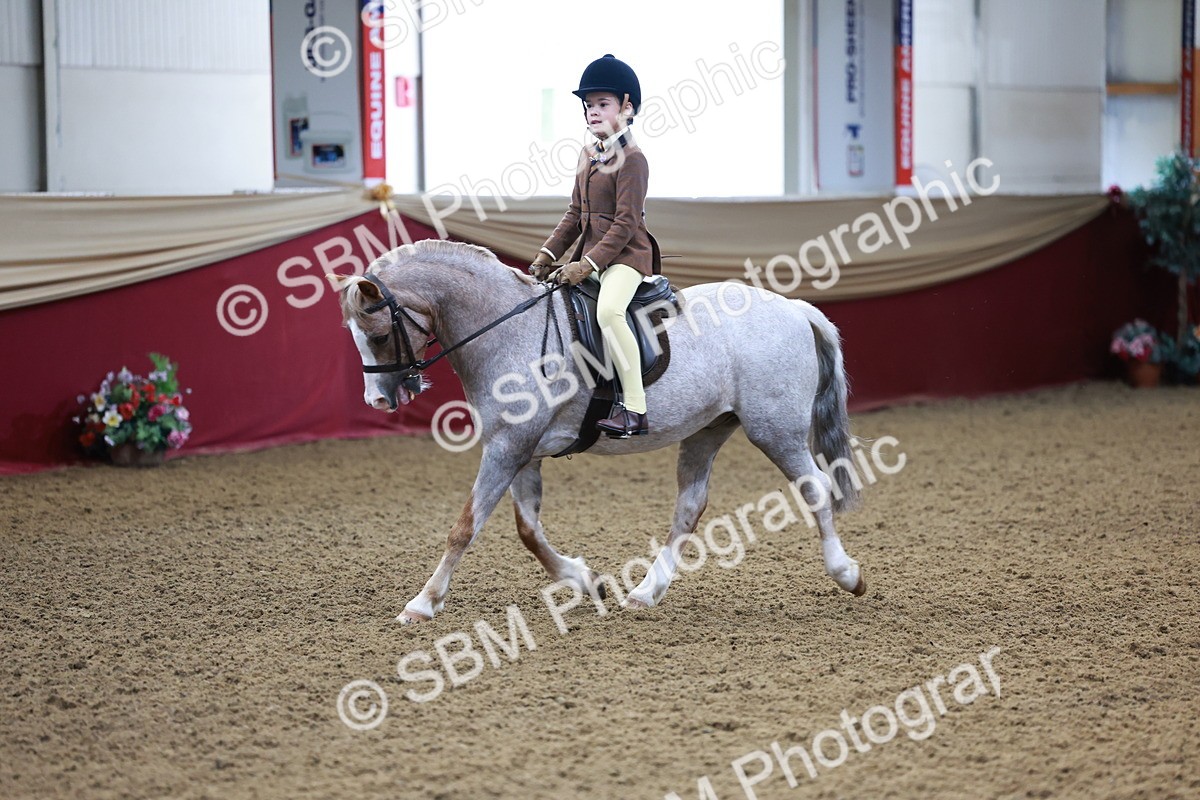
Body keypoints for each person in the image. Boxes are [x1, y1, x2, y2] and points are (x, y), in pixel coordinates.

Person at [530, 54, 662, 438]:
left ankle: (635, 409)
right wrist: (547, 255)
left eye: (602, 104)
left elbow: (625, 225)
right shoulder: (589, 154)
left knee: (608, 313)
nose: (593, 112)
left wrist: (587, 265)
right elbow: (575, 213)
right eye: (589, 105)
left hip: (626, 258)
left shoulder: (633, 160)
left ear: (627, 107)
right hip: (590, 256)